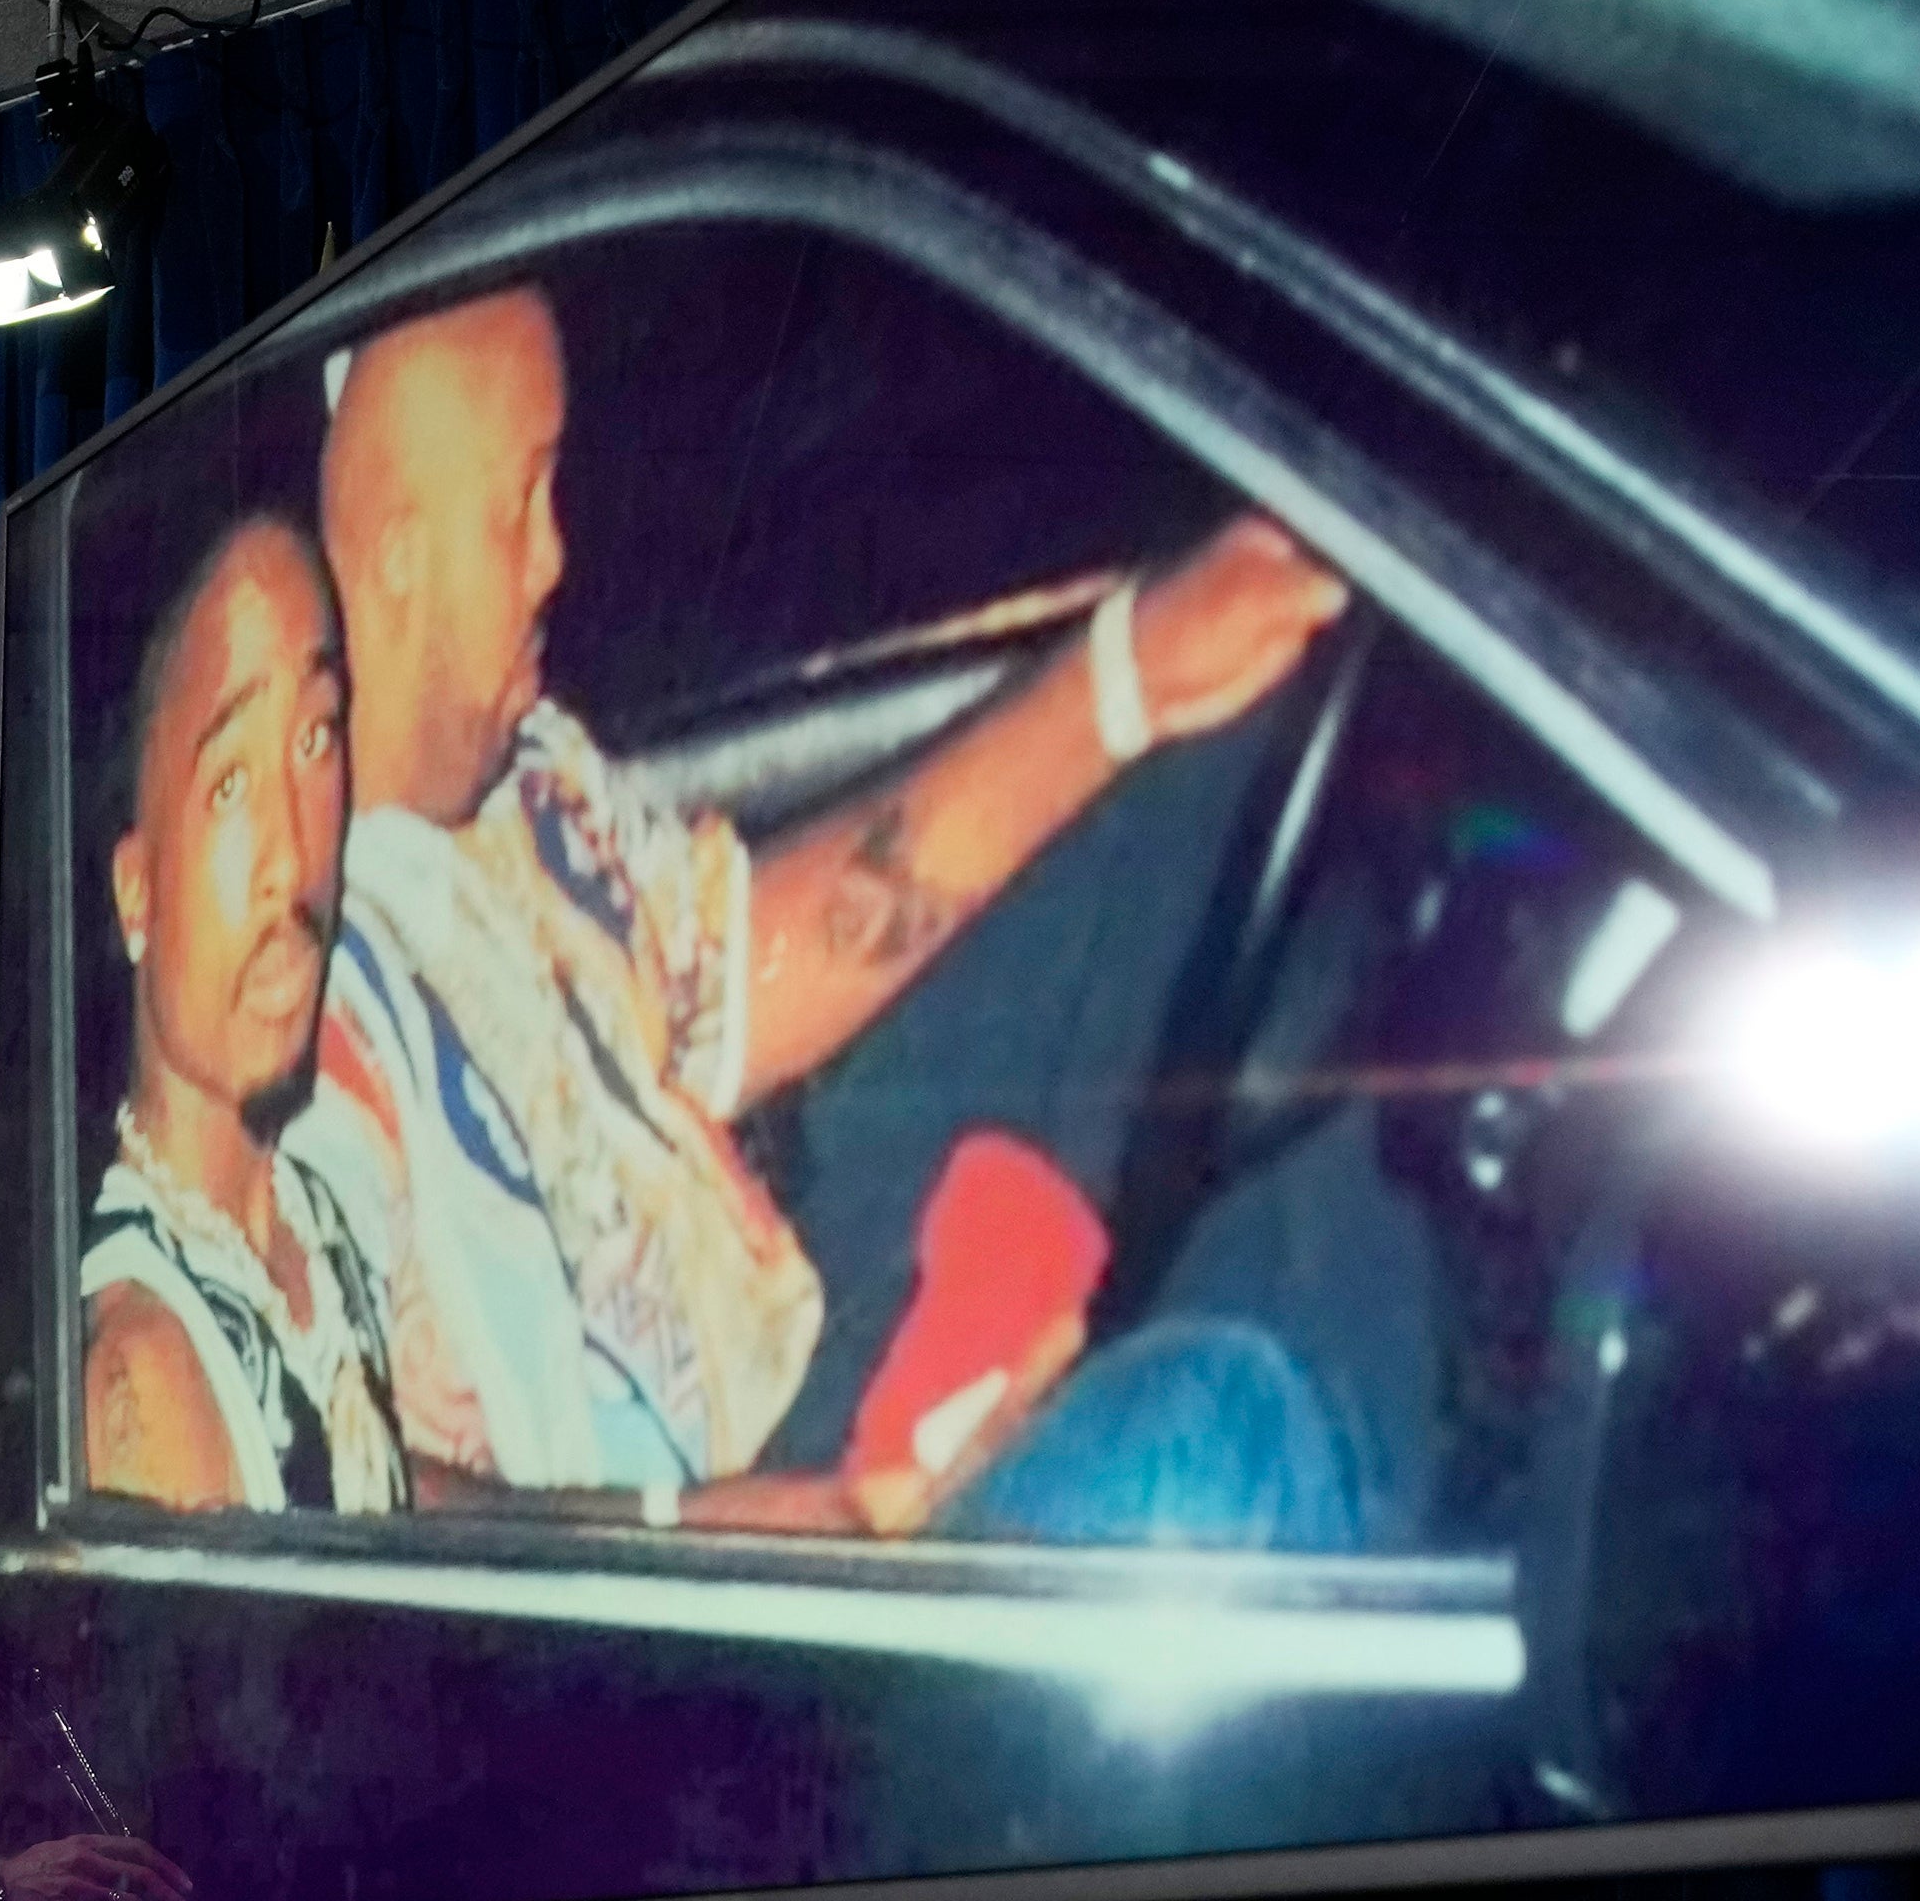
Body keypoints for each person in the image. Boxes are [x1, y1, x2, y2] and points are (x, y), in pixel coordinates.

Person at [288, 285, 1361, 1537]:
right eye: (517, 504)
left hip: (780, 1338)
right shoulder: (279, 974)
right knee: (1213, 1442)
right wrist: (765, 1524)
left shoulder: (517, 783)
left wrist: (1128, 678)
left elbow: (744, 965)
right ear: (404, 555)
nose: (554, 557)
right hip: (648, 1599)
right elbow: (310, 1478)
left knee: (1208, 778)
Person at [81, 513, 402, 1516]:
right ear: (138, 891)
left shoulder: (312, 1229)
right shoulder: (149, 1367)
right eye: (229, 787)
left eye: (314, 740)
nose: (291, 860)